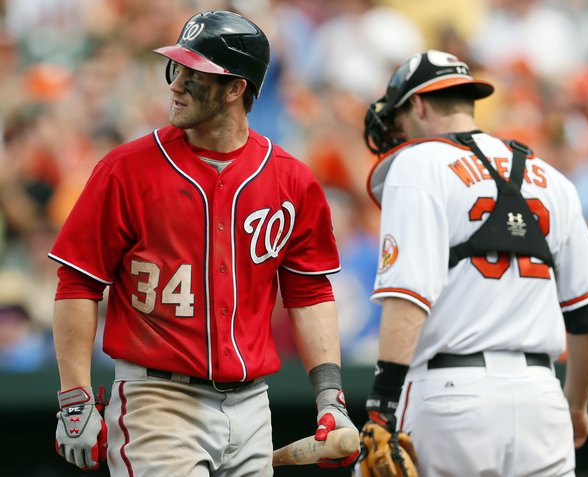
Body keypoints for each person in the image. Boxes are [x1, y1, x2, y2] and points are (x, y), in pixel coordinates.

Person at [49, 10, 358, 476]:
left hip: (253, 404)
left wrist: (329, 396)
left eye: (196, 74)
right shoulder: (125, 169)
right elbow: (77, 282)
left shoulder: (291, 179)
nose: (176, 84)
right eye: (177, 68)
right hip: (158, 399)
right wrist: (74, 398)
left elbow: (310, 292)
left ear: (236, 88)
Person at [358, 50, 588, 476]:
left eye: (397, 116)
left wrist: (382, 406)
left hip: (451, 395)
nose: (395, 129)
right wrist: (576, 404)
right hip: (542, 398)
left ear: (418, 103)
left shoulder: (417, 163)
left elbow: (407, 296)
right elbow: (587, 316)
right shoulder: (553, 179)